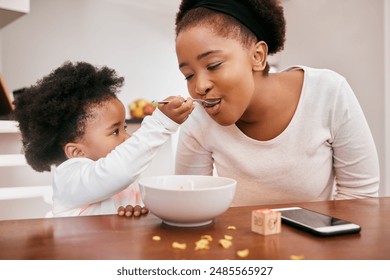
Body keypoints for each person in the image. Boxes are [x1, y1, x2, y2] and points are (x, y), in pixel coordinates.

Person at [174, 0, 380, 206]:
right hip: (235, 238)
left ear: (257, 56)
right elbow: (190, 203)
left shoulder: (328, 93)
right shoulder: (198, 118)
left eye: (214, 65)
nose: (199, 87)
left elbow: (360, 197)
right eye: (188, 75)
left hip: (319, 237)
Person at [12, 61, 194, 217]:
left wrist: (135, 213)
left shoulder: (119, 180)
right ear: (76, 152)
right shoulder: (69, 178)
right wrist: (160, 124)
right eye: (115, 131)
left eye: (124, 128)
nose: (127, 137)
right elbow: (118, 171)